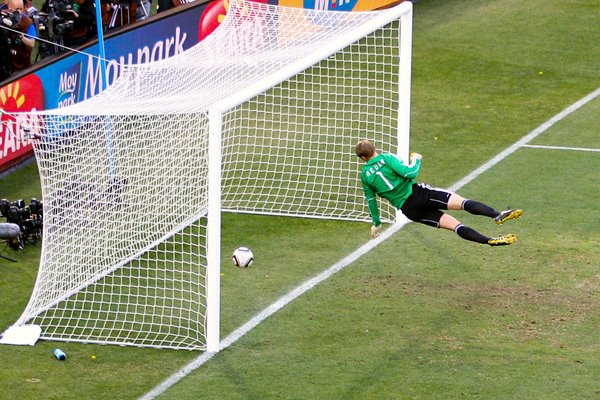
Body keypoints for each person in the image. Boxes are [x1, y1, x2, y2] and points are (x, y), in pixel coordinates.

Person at [355, 139, 523, 246]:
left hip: (409, 210)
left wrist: (376, 225)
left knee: (456, 226)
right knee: (463, 203)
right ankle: (496, 215)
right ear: (374, 149)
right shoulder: (387, 158)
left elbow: (371, 202)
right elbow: (410, 173)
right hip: (419, 194)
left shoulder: (365, 176)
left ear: (363, 158)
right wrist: (416, 159)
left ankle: (489, 240)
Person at [4, 0, 36, 73]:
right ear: (9, 8)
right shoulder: (3, 17)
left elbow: (32, 44)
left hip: (22, 65)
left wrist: (22, 37)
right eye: (16, 9)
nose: (19, 12)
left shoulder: (27, 22)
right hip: (5, 63)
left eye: (21, 9)